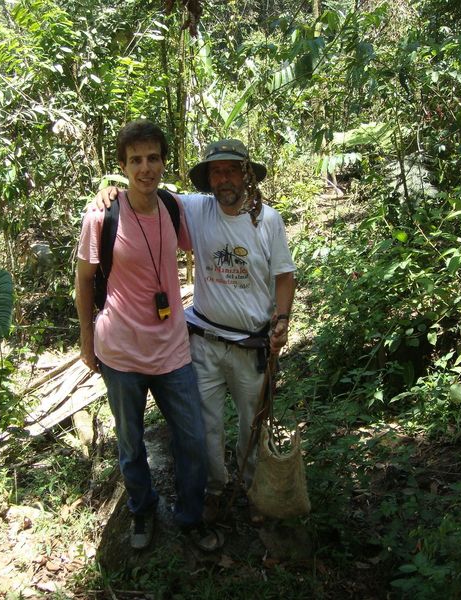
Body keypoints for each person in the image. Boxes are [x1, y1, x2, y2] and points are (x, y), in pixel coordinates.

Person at [96, 139, 296, 524]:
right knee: (205, 428)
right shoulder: (194, 208)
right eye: (216, 171)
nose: (224, 179)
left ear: (246, 175)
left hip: (251, 345)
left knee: (252, 422)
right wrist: (109, 192)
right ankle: (215, 490)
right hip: (203, 341)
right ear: (207, 179)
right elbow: (145, 187)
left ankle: (254, 488)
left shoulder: (268, 221)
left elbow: (284, 277)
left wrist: (282, 320)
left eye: (232, 170)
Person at [75, 120, 220, 551]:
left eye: (152, 158)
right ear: (122, 166)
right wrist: (86, 339)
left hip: (172, 349)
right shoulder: (102, 214)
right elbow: (83, 281)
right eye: (135, 160)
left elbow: (218, 218)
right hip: (120, 352)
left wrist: (252, 204)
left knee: (192, 438)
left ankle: (190, 517)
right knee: (130, 441)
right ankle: (141, 510)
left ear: (162, 161)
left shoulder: (175, 208)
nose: (145, 168)